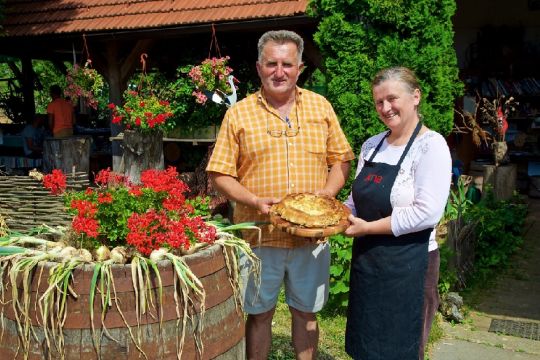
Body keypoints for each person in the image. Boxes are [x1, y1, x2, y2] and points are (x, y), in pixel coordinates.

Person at [206, 30, 354, 359]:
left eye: (287, 64)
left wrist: (325, 198)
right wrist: (254, 201)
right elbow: (219, 173)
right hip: (259, 237)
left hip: (311, 239)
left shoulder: (321, 107)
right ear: (259, 67)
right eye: (271, 63)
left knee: (306, 313)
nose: (279, 71)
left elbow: (341, 159)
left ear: (300, 67)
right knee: (259, 315)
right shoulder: (238, 114)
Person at [343, 66, 451, 360]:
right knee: (366, 342)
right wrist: (328, 218)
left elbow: (426, 214)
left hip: (410, 265)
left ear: (415, 96)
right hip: (369, 261)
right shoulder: (372, 146)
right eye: (379, 101)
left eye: (392, 98)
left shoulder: (431, 146)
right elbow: (355, 201)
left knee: (400, 347)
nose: (385, 108)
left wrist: (367, 228)